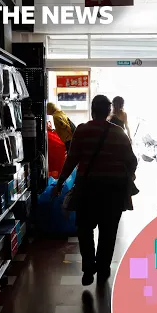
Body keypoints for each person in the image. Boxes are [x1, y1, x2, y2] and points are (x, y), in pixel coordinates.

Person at [51, 95, 137, 286]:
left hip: (88, 188)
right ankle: (104, 267)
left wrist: (60, 183)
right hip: (113, 190)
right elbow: (132, 161)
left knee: (85, 229)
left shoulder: (82, 130)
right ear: (108, 111)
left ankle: (89, 266)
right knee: (108, 231)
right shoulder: (118, 133)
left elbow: (71, 159)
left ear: (92, 110)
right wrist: (126, 176)